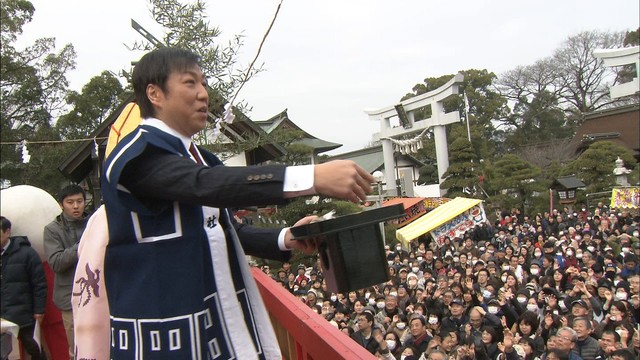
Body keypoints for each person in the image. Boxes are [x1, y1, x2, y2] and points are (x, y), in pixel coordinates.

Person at [100, 47, 374, 359]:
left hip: (216, 316)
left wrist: (287, 237)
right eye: (190, 83)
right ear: (155, 93)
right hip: (166, 328)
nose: (204, 94)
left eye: (204, 84)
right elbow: (203, 185)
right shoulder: (136, 153)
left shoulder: (201, 158)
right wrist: (310, 177)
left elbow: (224, 229)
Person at [44, 184, 88, 359]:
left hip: (97, 293)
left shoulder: (93, 223)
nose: (76, 206)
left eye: (79, 201)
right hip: (69, 296)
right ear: (62, 204)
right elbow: (56, 262)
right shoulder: (52, 229)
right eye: (70, 202)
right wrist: (83, 245)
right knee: (76, 347)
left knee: (100, 342)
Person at [1, 216, 47, 360]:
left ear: (8, 232)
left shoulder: (27, 253)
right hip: (1, 315)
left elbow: (39, 284)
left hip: (23, 313)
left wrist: (39, 310)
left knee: (35, 349)